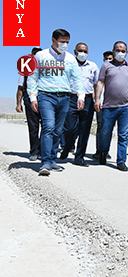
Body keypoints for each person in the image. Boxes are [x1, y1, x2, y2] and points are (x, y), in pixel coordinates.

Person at [27, 29, 85, 176]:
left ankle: (52, 159)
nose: (64, 45)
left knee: (58, 130)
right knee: (48, 127)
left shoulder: (71, 59)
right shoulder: (40, 56)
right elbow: (33, 78)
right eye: (62, 41)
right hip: (46, 96)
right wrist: (33, 97)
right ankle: (45, 162)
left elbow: (77, 79)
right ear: (53, 40)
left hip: (65, 97)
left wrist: (81, 96)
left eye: (67, 42)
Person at [94, 41, 128, 172]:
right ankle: (103, 152)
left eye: (123, 50)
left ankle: (121, 161)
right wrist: (97, 99)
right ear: (113, 51)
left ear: (126, 52)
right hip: (109, 106)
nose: (120, 52)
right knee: (105, 132)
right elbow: (100, 82)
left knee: (123, 135)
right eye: (117, 50)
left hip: (126, 107)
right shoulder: (106, 66)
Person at [59, 43, 99, 167]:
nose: (83, 53)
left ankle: (79, 157)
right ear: (75, 52)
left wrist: (96, 98)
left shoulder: (93, 66)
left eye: (85, 51)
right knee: (70, 128)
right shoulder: (68, 64)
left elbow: (96, 84)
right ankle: (67, 146)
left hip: (87, 100)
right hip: (71, 98)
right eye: (80, 51)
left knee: (84, 130)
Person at [16, 47, 43, 161]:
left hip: (44, 99)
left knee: (47, 126)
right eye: (34, 54)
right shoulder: (26, 68)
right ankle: (34, 151)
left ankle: (43, 150)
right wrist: (18, 104)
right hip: (29, 99)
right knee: (33, 127)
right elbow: (21, 87)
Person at [92, 51, 114, 160]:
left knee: (109, 128)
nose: (108, 60)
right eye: (106, 58)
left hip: (111, 104)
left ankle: (105, 151)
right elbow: (95, 86)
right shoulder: (100, 71)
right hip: (100, 103)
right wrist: (96, 99)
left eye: (110, 58)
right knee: (101, 127)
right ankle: (98, 151)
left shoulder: (115, 72)